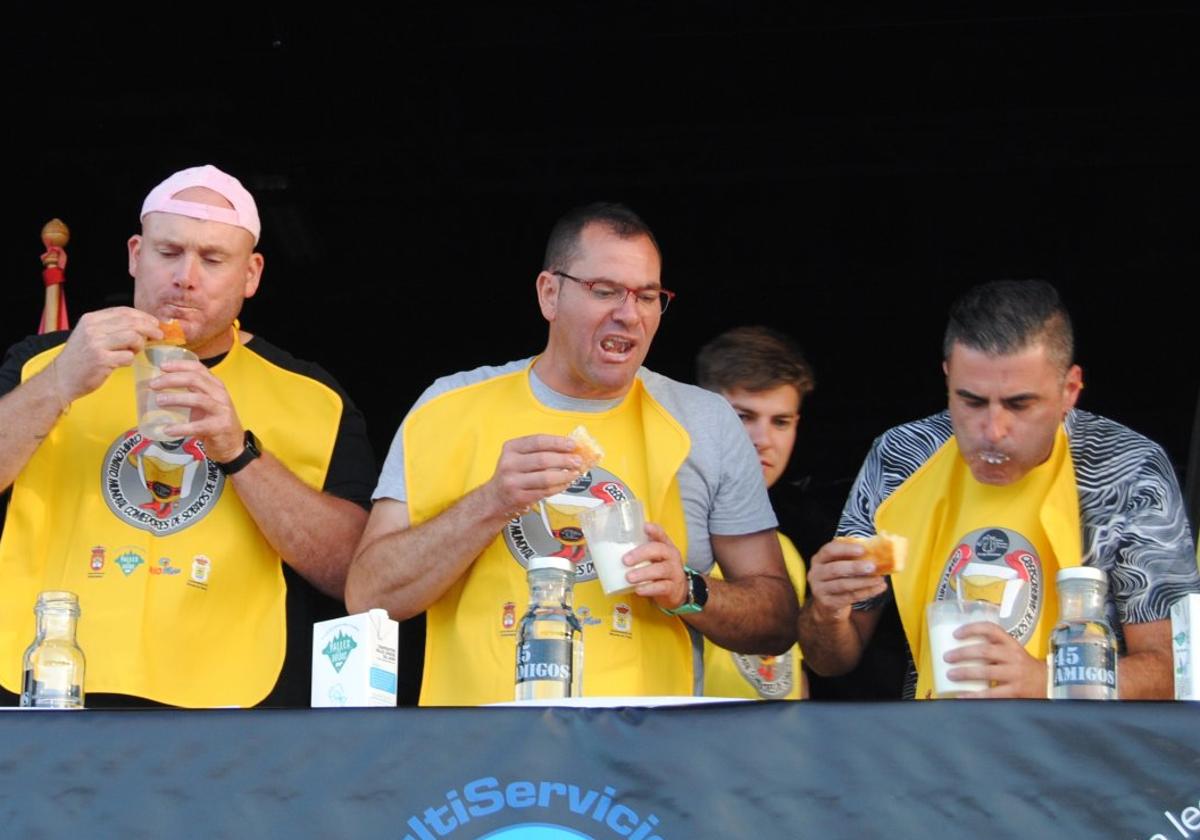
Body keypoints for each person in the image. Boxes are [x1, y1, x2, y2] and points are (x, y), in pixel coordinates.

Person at [346, 202, 797, 705]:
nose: (629, 314)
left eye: (647, 296)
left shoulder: (705, 421)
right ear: (549, 294)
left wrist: (688, 590)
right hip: (476, 756)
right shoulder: (447, 407)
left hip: (645, 755)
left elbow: (777, 620)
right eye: (605, 291)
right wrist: (492, 501)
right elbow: (369, 597)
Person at [0, 165, 375, 708]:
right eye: (168, 252)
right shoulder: (47, 363)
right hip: (43, 684)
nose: (186, 277)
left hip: (224, 709)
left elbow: (354, 576)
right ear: (135, 254)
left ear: (252, 274)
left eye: (213, 259)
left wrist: (238, 452)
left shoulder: (311, 396)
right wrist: (59, 383)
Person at [797, 279, 1199, 699]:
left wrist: (1045, 680)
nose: (992, 431)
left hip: (1080, 755)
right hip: (937, 747)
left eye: (1019, 404)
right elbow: (831, 661)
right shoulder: (902, 456)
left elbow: (1176, 668)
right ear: (948, 376)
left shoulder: (1126, 467)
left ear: (1069, 391)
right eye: (971, 402)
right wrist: (826, 609)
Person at [695, 325, 814, 699]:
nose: (763, 440)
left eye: (781, 421)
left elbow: (790, 685)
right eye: (744, 416)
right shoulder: (666, 529)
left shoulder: (784, 551)